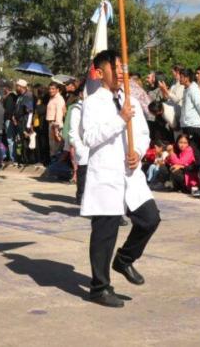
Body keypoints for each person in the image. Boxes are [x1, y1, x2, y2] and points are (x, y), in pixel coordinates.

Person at [81, 49, 159, 308]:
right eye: (115, 67)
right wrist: (119, 119)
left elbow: (144, 134)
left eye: (121, 66)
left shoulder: (131, 101)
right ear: (101, 72)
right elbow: (89, 137)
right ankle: (99, 287)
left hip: (130, 174)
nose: (120, 71)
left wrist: (137, 152)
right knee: (105, 232)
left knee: (149, 219)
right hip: (106, 175)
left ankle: (124, 259)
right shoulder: (92, 102)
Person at [179, 68, 200, 146]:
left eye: (181, 77)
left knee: (194, 149)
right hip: (186, 124)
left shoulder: (194, 89)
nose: (179, 79)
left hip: (194, 125)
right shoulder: (186, 89)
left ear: (187, 78)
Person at [13, 80, 36, 165]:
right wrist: (14, 116)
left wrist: (28, 125)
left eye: (17, 86)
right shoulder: (20, 96)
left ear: (21, 86)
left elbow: (30, 111)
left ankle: (27, 159)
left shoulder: (28, 96)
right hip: (19, 121)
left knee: (26, 141)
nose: (16, 88)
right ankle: (21, 158)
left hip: (25, 121)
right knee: (20, 141)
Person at [46, 82, 66, 159]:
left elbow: (59, 114)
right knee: (52, 146)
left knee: (56, 146)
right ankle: (53, 163)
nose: (50, 90)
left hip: (55, 125)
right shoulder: (52, 98)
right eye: (50, 88)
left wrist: (56, 128)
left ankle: (55, 165)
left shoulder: (59, 99)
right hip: (51, 123)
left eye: (53, 89)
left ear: (57, 90)